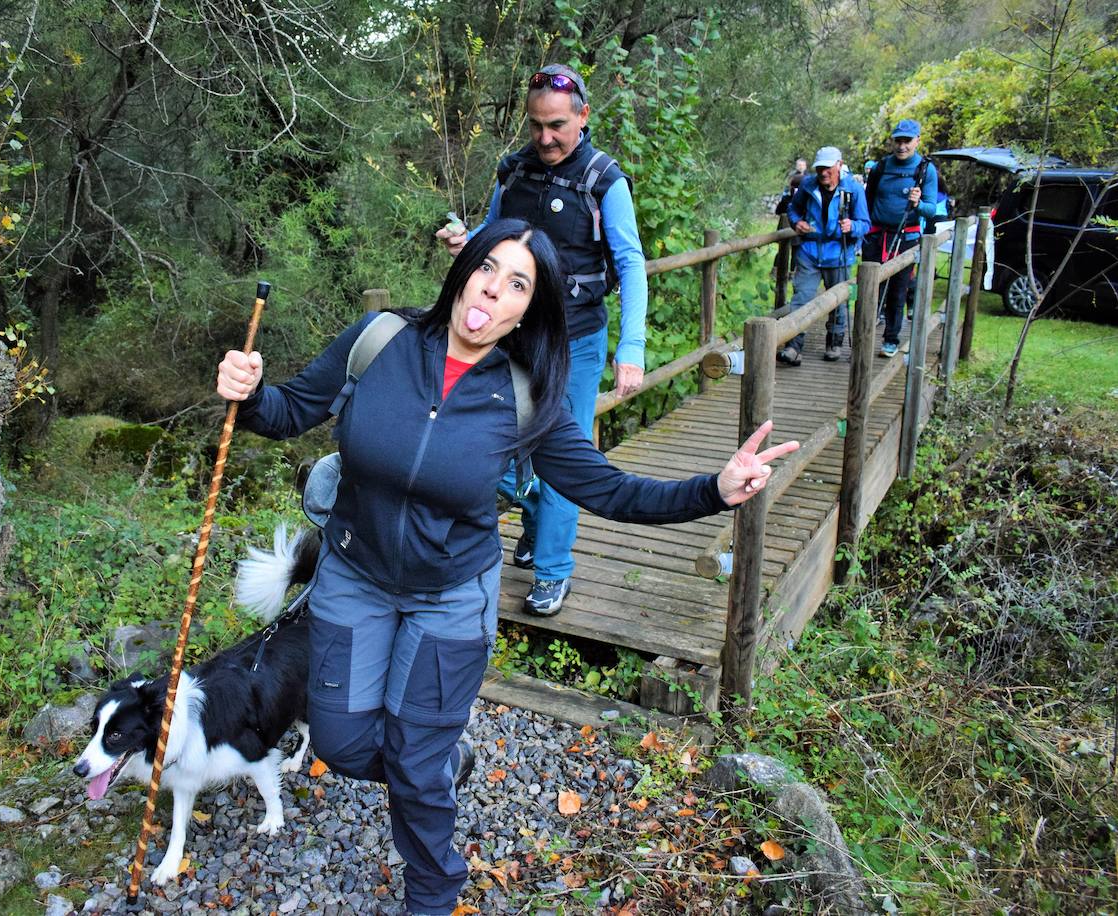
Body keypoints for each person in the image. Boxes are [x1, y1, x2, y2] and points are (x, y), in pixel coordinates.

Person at [216, 220, 798, 916]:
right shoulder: (379, 342)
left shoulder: (525, 398)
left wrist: (714, 489)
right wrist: (249, 394)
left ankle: (432, 891)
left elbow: (608, 489)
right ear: (463, 266)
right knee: (340, 742)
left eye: (517, 282)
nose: (493, 288)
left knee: (410, 754)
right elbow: (289, 410)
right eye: (487, 266)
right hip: (353, 575)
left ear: (531, 306)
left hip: (450, 596)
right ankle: (436, 764)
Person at [433, 63, 646, 617]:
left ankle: (553, 571)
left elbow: (631, 262)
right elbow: (491, 234)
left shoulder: (605, 181)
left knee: (561, 455)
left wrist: (633, 348)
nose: (545, 138)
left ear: (583, 116)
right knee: (497, 444)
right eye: (535, 126)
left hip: (574, 342)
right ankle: (533, 532)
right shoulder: (515, 172)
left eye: (556, 125)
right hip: (510, 338)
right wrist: (466, 242)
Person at [779, 146, 870, 365]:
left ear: (839, 165)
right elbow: (793, 209)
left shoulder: (854, 190)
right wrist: (796, 222)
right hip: (810, 251)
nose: (823, 173)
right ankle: (793, 346)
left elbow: (865, 224)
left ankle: (834, 343)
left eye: (828, 168)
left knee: (838, 301)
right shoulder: (807, 185)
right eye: (820, 168)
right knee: (801, 298)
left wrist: (853, 226)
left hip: (840, 253)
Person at [862, 119, 938, 358]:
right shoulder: (881, 167)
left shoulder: (926, 169)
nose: (902, 146)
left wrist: (918, 203)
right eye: (898, 140)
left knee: (898, 289)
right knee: (870, 286)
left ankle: (891, 339)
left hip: (907, 237)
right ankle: (863, 335)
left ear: (917, 140)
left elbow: (932, 209)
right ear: (892, 141)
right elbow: (868, 199)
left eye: (907, 141)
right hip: (876, 237)